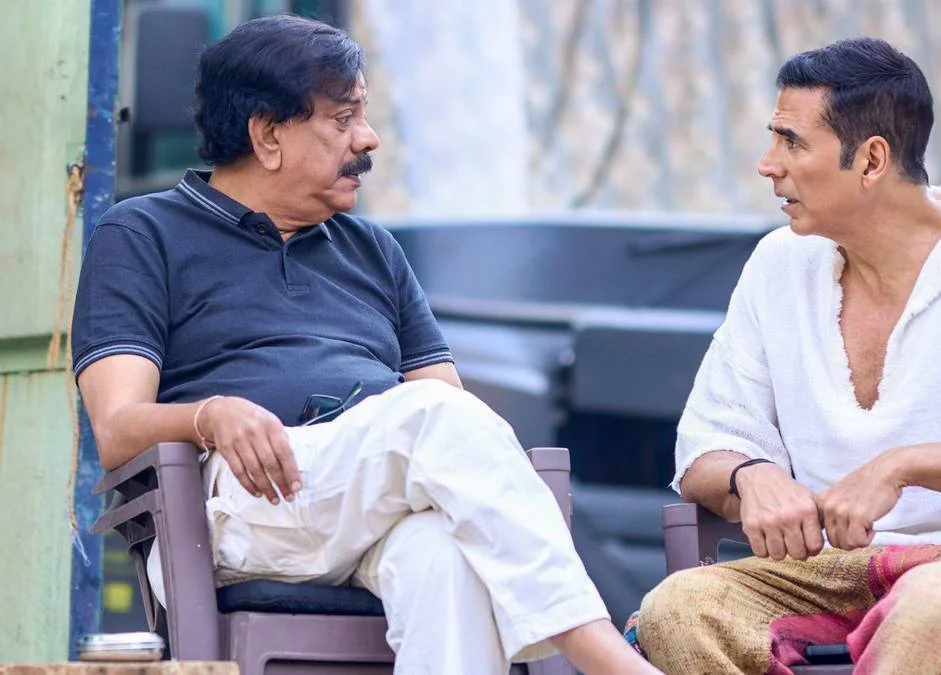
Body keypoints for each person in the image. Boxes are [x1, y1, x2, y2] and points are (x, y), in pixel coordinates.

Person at [72, 14, 659, 675]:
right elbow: (117, 429)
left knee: (444, 554)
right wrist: (211, 414)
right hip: (241, 499)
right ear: (268, 135)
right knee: (433, 417)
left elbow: (450, 416)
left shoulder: (373, 249)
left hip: (366, 498)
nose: (369, 137)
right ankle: (606, 658)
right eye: (344, 117)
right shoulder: (141, 234)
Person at [628, 37, 941, 675]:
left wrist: (901, 466)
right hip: (821, 571)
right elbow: (705, 446)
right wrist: (750, 474)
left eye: (791, 142)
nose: (767, 164)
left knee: (928, 608)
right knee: (676, 610)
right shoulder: (777, 263)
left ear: (871, 160)